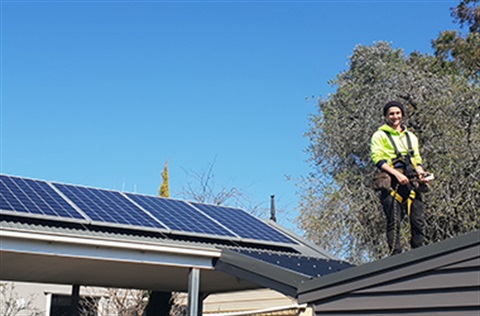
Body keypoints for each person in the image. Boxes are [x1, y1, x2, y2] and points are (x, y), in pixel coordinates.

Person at [371, 101, 431, 255]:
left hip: (411, 180)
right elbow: (377, 159)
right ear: (386, 116)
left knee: (418, 221)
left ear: (402, 115)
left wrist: (421, 173)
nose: (395, 116)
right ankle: (395, 257)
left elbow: (416, 159)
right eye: (391, 113)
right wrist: (397, 174)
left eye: (397, 113)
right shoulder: (379, 135)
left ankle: (420, 254)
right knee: (394, 222)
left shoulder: (411, 136)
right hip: (392, 182)